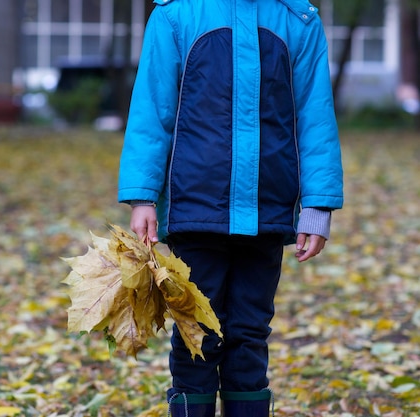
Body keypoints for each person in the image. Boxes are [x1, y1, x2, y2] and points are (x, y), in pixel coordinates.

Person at [117, 0, 344, 416]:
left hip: (267, 210)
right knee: (197, 332)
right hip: (195, 209)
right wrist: (142, 196)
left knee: (249, 334)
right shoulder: (176, 17)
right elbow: (153, 111)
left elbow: (315, 117)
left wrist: (317, 205)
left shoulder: (298, 21)